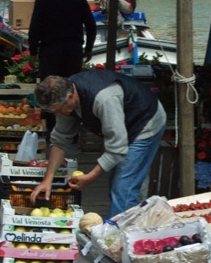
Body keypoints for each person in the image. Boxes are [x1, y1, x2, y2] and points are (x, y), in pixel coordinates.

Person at [30, 71, 166, 218]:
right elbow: (60, 140)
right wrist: (47, 180)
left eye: (57, 109)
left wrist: (91, 176)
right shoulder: (65, 97)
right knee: (119, 186)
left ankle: (114, 236)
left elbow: (117, 148)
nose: (57, 113)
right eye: (52, 111)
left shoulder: (104, 99)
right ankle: (132, 224)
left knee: (123, 187)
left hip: (145, 124)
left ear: (70, 97)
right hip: (122, 125)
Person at [28, 0, 97, 79]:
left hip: (50, 49)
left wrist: (33, 52)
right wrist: (89, 48)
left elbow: (35, 26)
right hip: (73, 49)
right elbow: (91, 25)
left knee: (50, 87)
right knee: (70, 85)